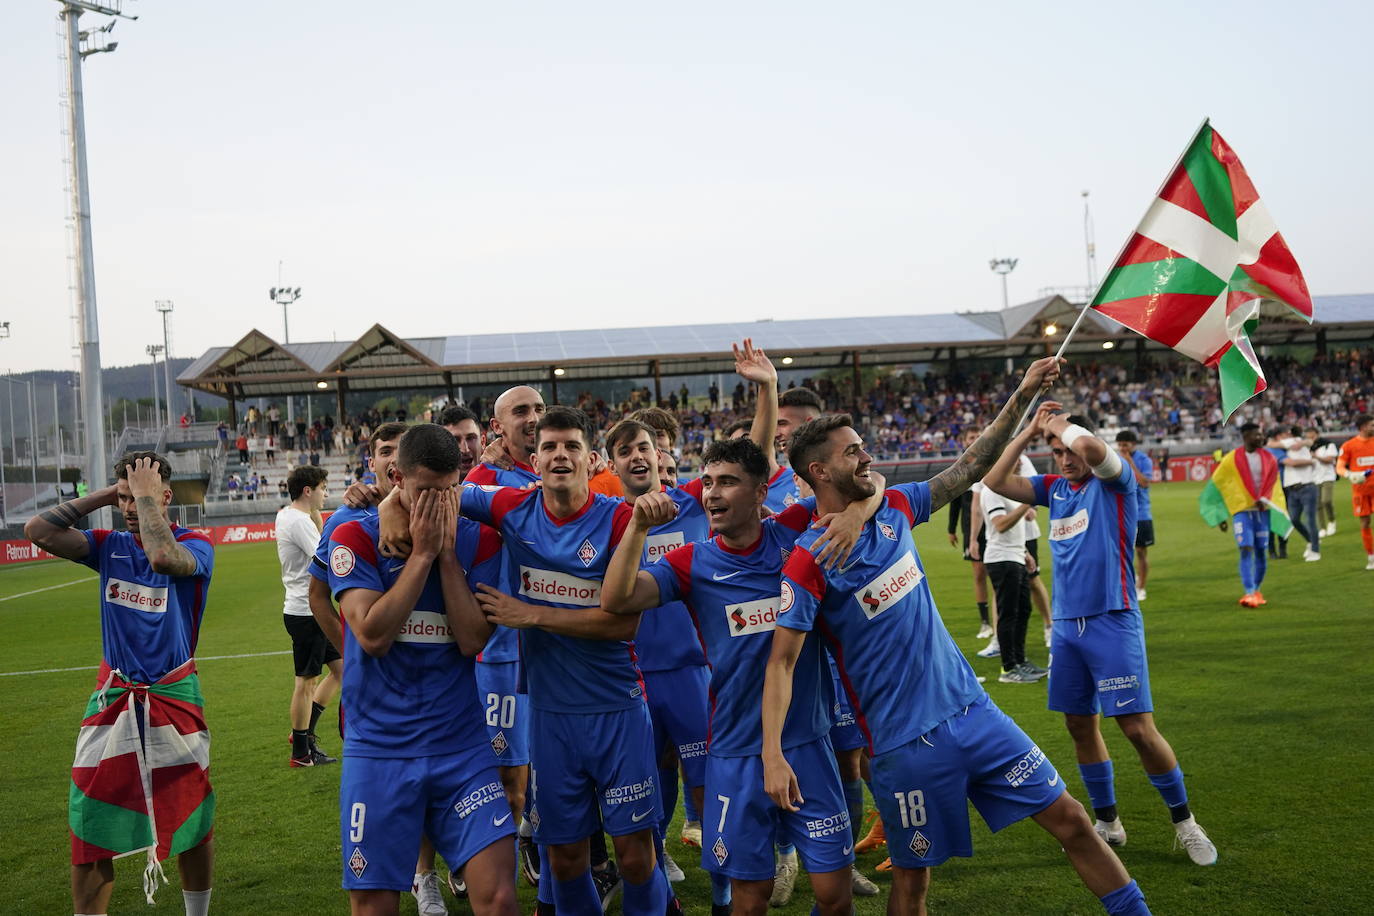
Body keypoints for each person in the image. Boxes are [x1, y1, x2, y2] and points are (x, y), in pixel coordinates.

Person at [765, 360, 1152, 916]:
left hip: (975, 712)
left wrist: (1021, 391)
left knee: (1071, 820)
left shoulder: (894, 506)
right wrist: (772, 753)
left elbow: (971, 465)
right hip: (903, 748)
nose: (867, 456)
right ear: (818, 471)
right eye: (853, 452)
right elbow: (781, 663)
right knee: (914, 886)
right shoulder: (806, 563)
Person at [406, 407, 669, 916]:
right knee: (565, 858)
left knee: (635, 857)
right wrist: (377, 499)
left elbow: (624, 623)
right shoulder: (512, 508)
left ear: (590, 459)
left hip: (616, 707)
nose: (559, 455)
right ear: (535, 458)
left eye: (571, 446)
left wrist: (533, 615)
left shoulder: (617, 519)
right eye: (549, 447)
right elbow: (435, 489)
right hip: (549, 716)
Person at [601, 435, 879, 916]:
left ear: (759, 493)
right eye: (707, 482)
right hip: (733, 753)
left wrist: (856, 514)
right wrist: (637, 530)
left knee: (835, 897)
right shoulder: (693, 563)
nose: (711, 494)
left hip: (807, 744)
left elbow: (869, 482)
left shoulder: (794, 531)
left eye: (727, 482)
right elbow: (617, 600)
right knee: (748, 899)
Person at [985, 405, 1217, 866]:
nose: (1065, 458)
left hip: (1113, 619)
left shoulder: (1115, 482)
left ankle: (1185, 823)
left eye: (1068, 450)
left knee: (1136, 728)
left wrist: (1059, 426)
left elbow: (1090, 448)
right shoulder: (1054, 489)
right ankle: (1109, 822)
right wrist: (1031, 429)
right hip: (1069, 629)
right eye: (1056, 453)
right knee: (1079, 725)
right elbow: (994, 480)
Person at [327, 424, 518, 916]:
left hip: (462, 748)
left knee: (498, 897)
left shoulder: (481, 542)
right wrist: (424, 554)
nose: (439, 504)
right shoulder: (354, 535)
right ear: (397, 478)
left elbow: (473, 639)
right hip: (381, 752)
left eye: (449, 490)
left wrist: (447, 554)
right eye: (425, 493)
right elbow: (371, 635)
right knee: (373, 904)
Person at [25, 452, 216, 916]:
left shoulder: (197, 544)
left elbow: (162, 556)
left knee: (190, 813)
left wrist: (146, 499)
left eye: (141, 498)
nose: (130, 506)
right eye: (125, 499)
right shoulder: (108, 545)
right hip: (113, 695)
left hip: (173, 694)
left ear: (166, 497)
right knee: (89, 815)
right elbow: (38, 531)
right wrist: (112, 492)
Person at [275, 465, 341, 767]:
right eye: (323, 488)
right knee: (306, 682)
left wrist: (317, 516)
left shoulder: (288, 515)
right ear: (308, 490)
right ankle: (300, 752)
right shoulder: (299, 521)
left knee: (343, 670)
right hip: (307, 612)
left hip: (307, 610)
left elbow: (318, 539)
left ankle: (303, 735)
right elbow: (324, 558)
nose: (325, 493)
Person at [1202, 423, 1288, 606]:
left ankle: (1256, 590)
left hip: (1262, 511)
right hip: (1242, 511)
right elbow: (1219, 485)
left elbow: (1274, 484)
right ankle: (1248, 592)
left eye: (1261, 434)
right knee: (1245, 548)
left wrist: (1265, 498)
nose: (1260, 438)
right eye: (1256, 435)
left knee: (1261, 552)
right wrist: (1220, 516)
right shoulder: (1231, 459)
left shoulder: (1269, 459)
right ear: (1246, 436)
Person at [979, 476, 1046, 684]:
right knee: (1008, 614)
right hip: (1001, 558)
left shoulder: (1006, 490)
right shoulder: (991, 491)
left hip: (1015, 556)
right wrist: (1025, 505)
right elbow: (999, 525)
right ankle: (1008, 668)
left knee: (1023, 610)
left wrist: (1025, 552)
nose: (1017, 464)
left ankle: (1020, 660)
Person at [948, 427, 996, 638]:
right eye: (971, 437)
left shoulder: (993, 463)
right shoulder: (961, 468)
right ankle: (985, 622)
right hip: (972, 530)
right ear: (964, 441)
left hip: (995, 525)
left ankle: (999, 619)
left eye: (978, 436)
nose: (975, 440)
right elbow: (955, 503)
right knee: (979, 574)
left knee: (997, 573)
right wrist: (951, 529)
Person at [466, 386, 545, 486]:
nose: (535, 419)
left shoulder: (565, 464)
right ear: (497, 426)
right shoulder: (482, 479)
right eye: (521, 412)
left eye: (539, 409)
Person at [1115, 431, 1156, 598]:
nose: (1122, 448)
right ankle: (1126, 583)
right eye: (1120, 445)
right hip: (1120, 513)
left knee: (1140, 552)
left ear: (1134, 444)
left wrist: (1130, 463)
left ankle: (1141, 587)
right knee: (1119, 552)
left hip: (1141, 513)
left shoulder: (1143, 460)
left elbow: (1145, 483)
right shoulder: (1115, 459)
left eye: (1126, 444)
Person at [1336, 413, 1374, 570]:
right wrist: (1351, 475)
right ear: (1363, 427)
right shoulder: (1349, 446)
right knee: (1365, 522)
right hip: (1360, 491)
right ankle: (1371, 556)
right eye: (1372, 424)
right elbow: (1339, 468)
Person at [1279, 426, 1321, 562]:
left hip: (1306, 486)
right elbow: (1309, 442)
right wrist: (1304, 443)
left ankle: (1315, 550)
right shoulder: (1298, 443)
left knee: (1309, 520)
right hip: (1293, 488)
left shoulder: (1290, 442)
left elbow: (1270, 443)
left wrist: (1302, 443)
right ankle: (1311, 541)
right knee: (1294, 519)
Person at [439, 405, 486, 482]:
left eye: (470, 438)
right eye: (454, 440)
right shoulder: (426, 488)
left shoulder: (501, 482)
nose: (465, 449)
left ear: (483, 442)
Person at [1307, 427, 1339, 537]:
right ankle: (1322, 528)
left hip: (1327, 476)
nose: (1309, 435)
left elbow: (1329, 460)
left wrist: (1315, 456)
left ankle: (1331, 520)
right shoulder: (1308, 447)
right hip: (1314, 477)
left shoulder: (1328, 444)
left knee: (1326, 500)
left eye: (1310, 433)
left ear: (1316, 433)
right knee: (1317, 504)